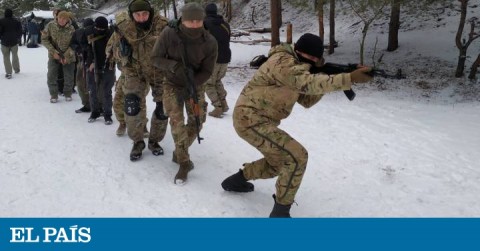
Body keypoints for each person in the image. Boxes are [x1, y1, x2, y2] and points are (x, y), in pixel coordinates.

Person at [220, 33, 373, 217]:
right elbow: (306, 83)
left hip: (260, 120)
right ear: (299, 51)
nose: (313, 61)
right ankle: (280, 213)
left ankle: (237, 180)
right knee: (297, 156)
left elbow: (307, 100)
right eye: (311, 57)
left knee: (279, 164)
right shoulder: (282, 61)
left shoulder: (298, 66)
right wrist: (348, 78)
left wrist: (326, 74)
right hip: (249, 119)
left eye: (316, 59)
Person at [151, 2, 217, 184]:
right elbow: (155, 58)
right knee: (177, 124)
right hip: (171, 84)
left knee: (198, 121)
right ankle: (184, 162)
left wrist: (192, 83)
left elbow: (208, 70)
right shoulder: (169, 34)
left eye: (198, 21)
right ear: (183, 20)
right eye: (191, 21)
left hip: (195, 85)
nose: (195, 24)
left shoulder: (209, 41)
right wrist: (173, 66)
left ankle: (179, 150)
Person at [111, 0, 169, 161]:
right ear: (132, 15)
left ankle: (154, 141)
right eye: (138, 15)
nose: (142, 18)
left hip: (159, 71)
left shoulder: (163, 25)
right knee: (131, 105)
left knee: (163, 108)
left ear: (150, 12)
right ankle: (137, 142)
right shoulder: (124, 27)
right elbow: (116, 52)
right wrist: (122, 53)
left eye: (145, 14)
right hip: (134, 71)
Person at [85, 16, 115, 125]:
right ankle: (95, 112)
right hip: (93, 65)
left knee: (107, 91)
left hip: (108, 65)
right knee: (92, 90)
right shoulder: (89, 32)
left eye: (102, 29)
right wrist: (90, 62)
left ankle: (107, 114)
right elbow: (87, 49)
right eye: (98, 28)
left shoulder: (111, 34)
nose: (100, 31)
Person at [203, 3, 231, 118]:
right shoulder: (225, 24)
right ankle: (224, 104)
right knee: (217, 80)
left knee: (208, 83)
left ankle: (217, 107)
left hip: (212, 58)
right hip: (225, 57)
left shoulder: (204, 24)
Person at [42, 10, 76, 103]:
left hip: (68, 55)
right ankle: (53, 94)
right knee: (51, 75)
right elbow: (44, 39)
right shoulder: (50, 25)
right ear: (57, 17)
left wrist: (67, 56)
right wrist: (53, 52)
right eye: (60, 18)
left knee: (69, 76)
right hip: (54, 55)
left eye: (64, 19)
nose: (61, 20)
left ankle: (68, 93)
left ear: (67, 20)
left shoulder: (72, 28)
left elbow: (75, 43)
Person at [70, 18, 94, 113]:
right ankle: (87, 104)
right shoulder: (78, 32)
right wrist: (78, 50)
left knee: (95, 85)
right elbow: (72, 43)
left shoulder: (98, 31)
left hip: (95, 62)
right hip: (82, 61)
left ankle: (98, 105)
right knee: (81, 83)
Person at [0, 8, 22, 79]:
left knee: (6, 57)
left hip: (4, 42)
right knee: (15, 56)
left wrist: (1, 37)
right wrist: (18, 38)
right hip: (14, 42)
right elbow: (20, 30)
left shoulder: (1, 21)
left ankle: (9, 73)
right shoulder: (16, 21)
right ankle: (17, 69)